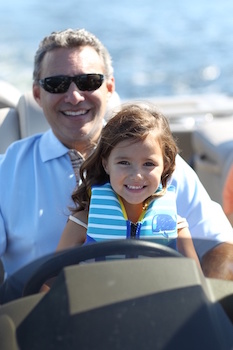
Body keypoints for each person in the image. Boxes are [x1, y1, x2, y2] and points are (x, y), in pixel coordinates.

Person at [0, 28, 232, 281]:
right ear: (37, 94)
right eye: (57, 84)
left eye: (89, 81)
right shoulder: (7, 170)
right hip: (41, 316)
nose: (75, 96)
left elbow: (220, 245)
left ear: (109, 88)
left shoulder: (161, 166)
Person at [56, 103, 201, 269]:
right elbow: (49, 283)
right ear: (106, 164)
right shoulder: (82, 224)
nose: (136, 175)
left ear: (165, 166)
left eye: (148, 164)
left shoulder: (176, 227)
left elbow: (198, 284)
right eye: (124, 162)